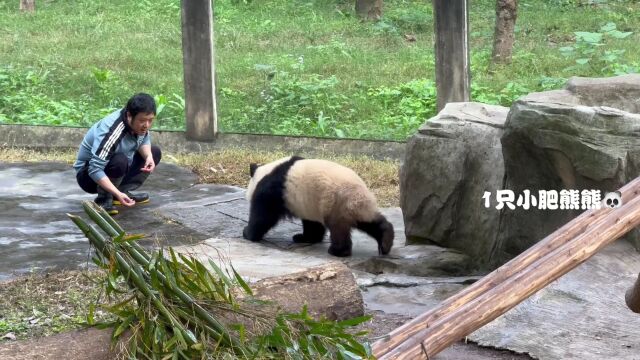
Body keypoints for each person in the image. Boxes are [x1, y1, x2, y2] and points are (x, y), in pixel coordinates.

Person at [73, 93, 162, 215]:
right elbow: (94, 168)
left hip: (114, 166)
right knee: (120, 161)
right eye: (142, 121)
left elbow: (144, 139)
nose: (146, 125)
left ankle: (122, 191)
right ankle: (104, 199)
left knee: (154, 152)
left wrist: (149, 157)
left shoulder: (139, 124)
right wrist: (116, 192)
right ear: (129, 115)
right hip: (87, 175)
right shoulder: (112, 130)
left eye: (150, 120)